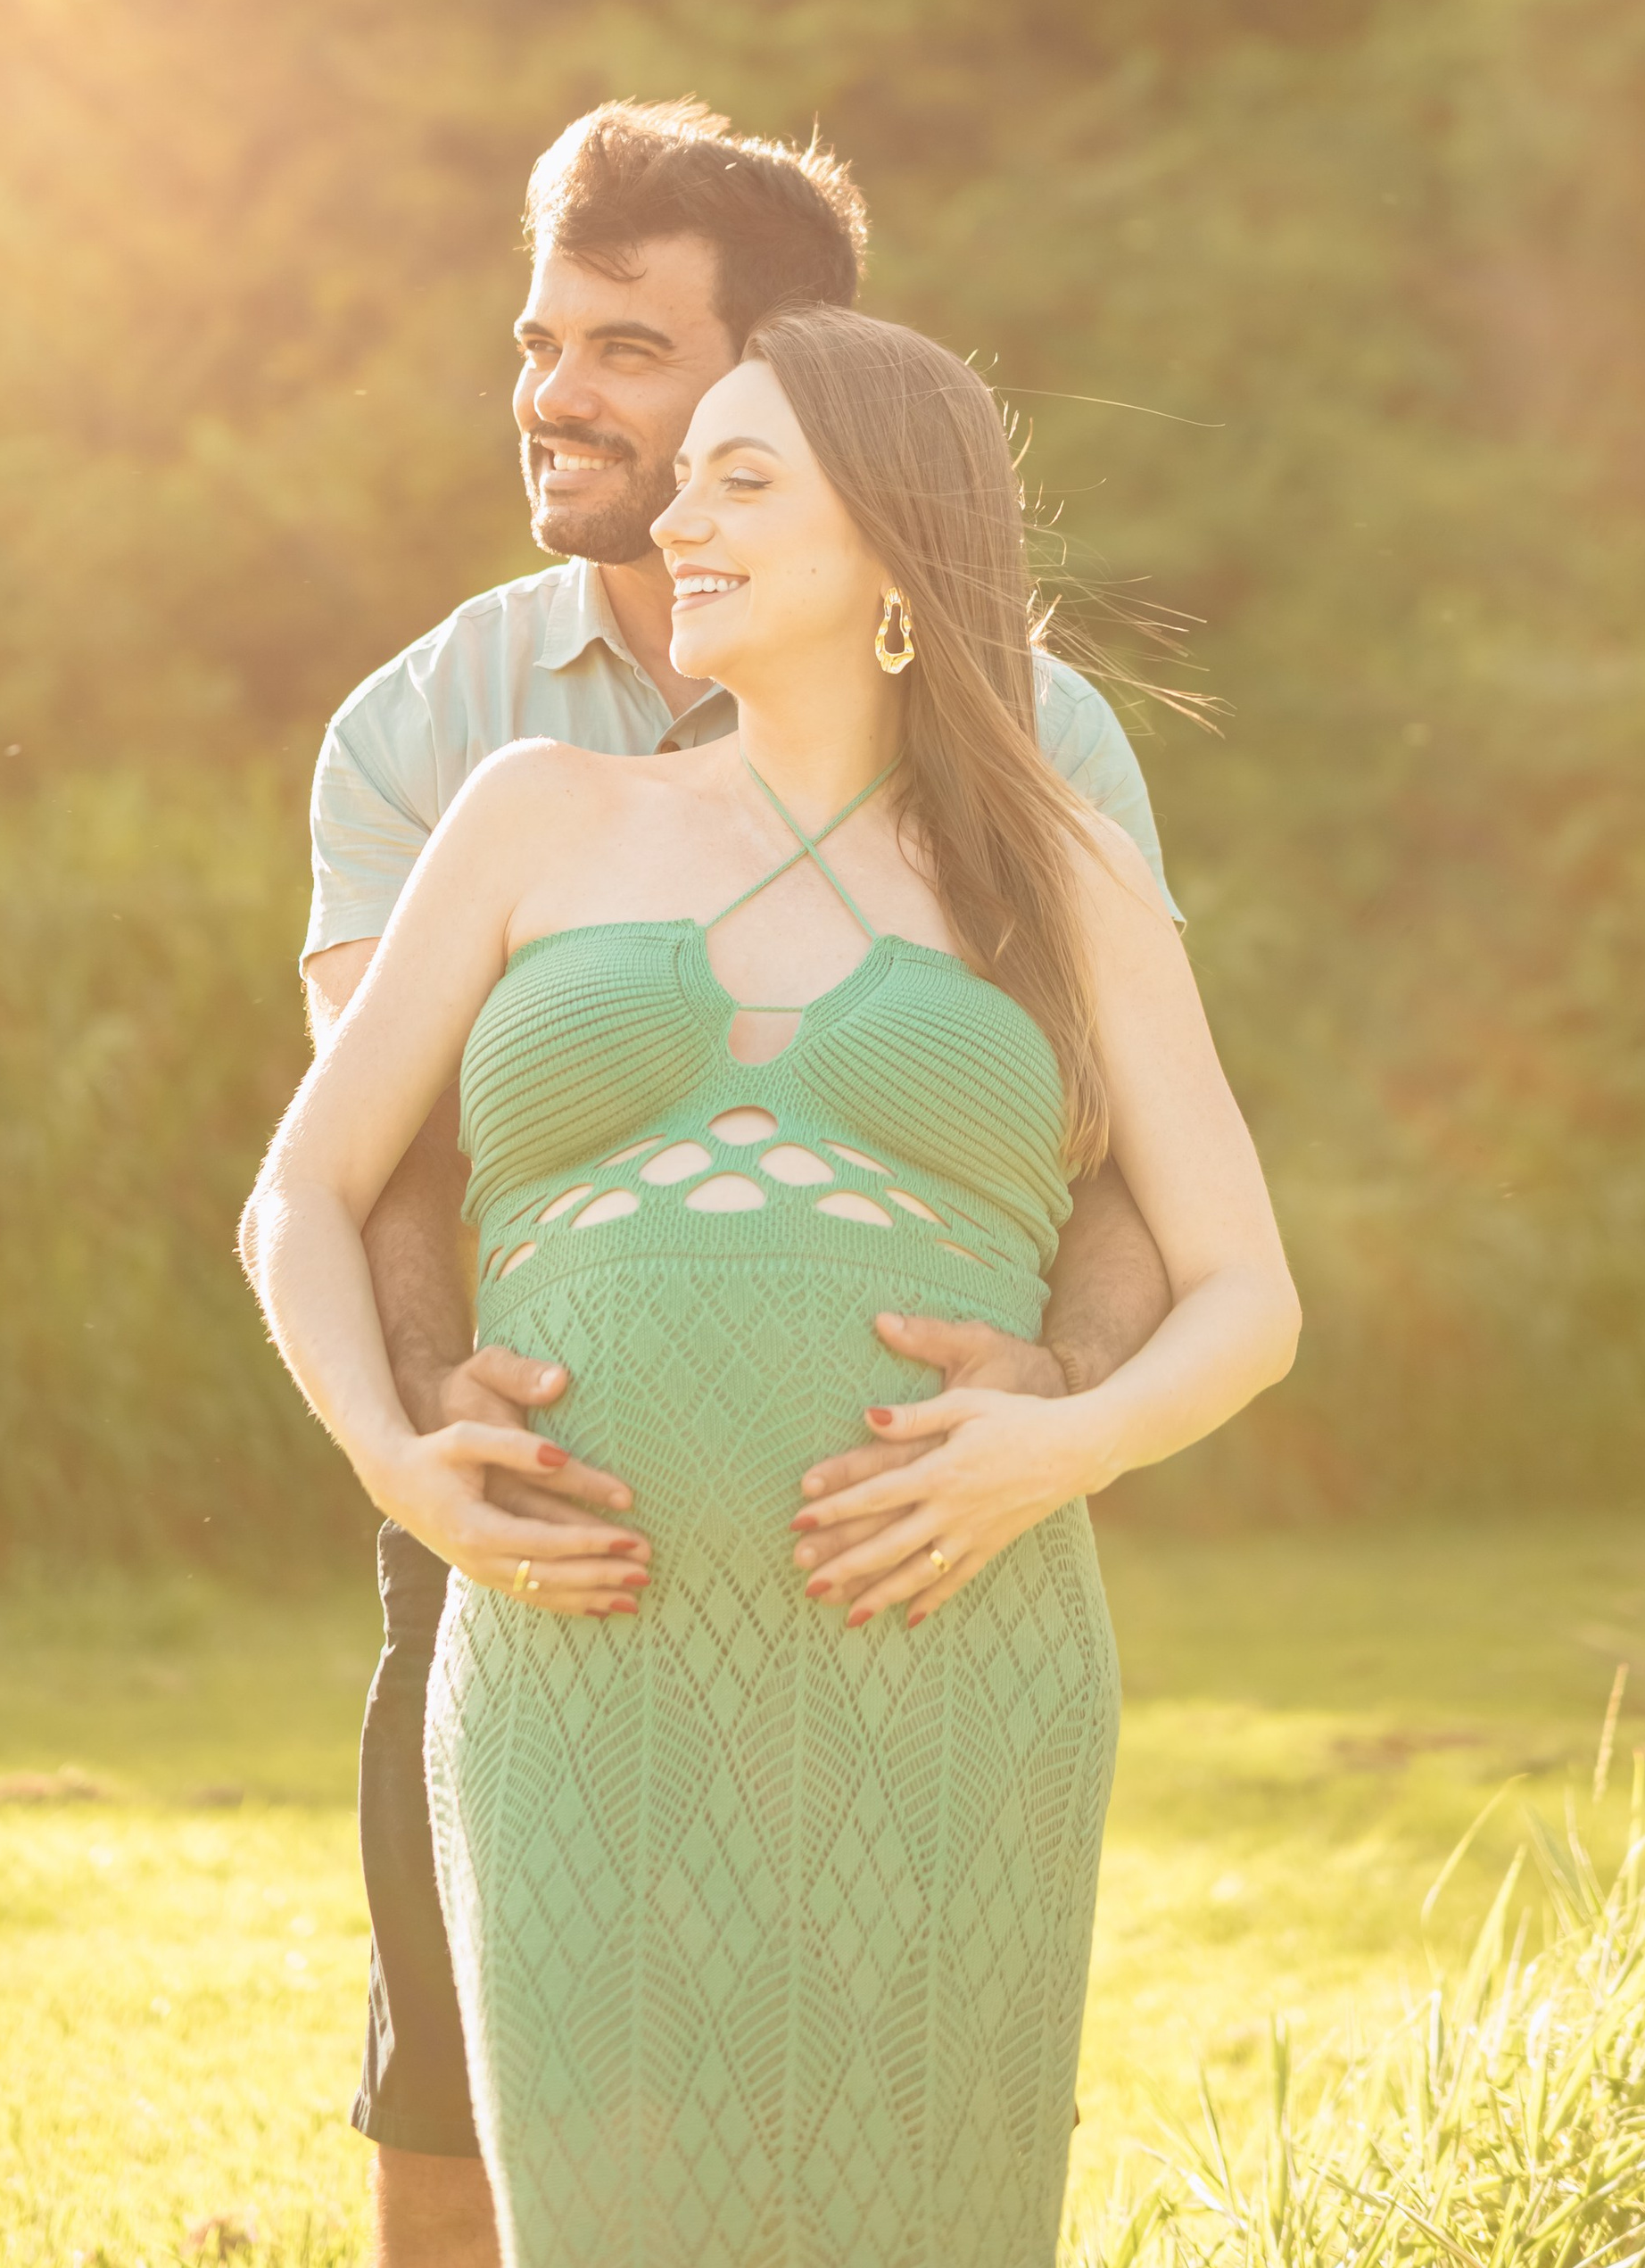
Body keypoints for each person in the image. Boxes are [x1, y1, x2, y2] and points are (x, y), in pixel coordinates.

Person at [248, 303, 1298, 2262]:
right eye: (686, 479)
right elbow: (308, 1184)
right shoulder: (532, 813)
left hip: (947, 1649)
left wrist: (1061, 1444)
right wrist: (393, 1458)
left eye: (743, 479)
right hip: (579, 1660)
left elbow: (1247, 1289)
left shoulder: (1053, 865)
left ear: (896, 546)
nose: (679, 520)